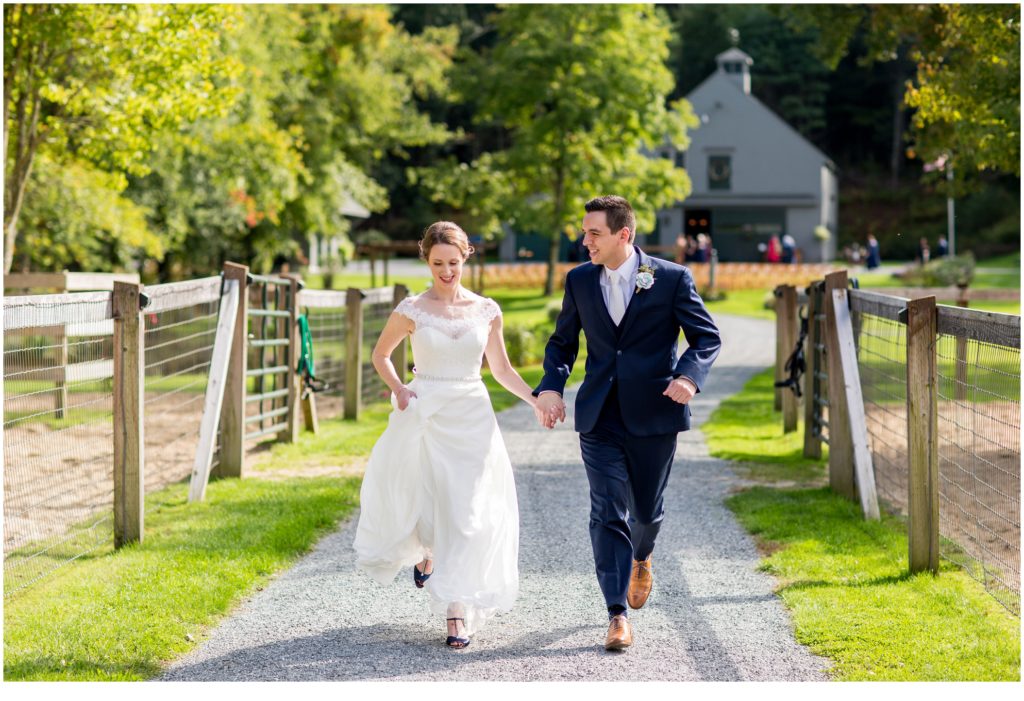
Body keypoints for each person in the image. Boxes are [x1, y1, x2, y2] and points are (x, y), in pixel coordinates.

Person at [533, 196, 721, 651]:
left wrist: (689, 378)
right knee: (605, 508)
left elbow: (706, 337)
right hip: (599, 414)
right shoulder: (578, 280)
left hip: (655, 412)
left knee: (645, 511)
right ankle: (616, 615)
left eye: (594, 233)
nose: (585, 241)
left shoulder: (671, 278)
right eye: (584, 232)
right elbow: (562, 345)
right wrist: (551, 387)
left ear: (624, 235)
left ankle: (643, 555)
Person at [353, 221, 543, 649]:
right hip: (426, 410)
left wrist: (536, 400)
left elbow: (502, 369)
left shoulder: (487, 310)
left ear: (466, 258)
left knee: (468, 510)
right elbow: (380, 354)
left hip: (473, 415)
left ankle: (458, 610)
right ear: (427, 260)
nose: (446, 271)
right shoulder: (411, 309)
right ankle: (430, 557)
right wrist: (400, 387)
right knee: (429, 497)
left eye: (453, 263)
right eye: (438, 263)